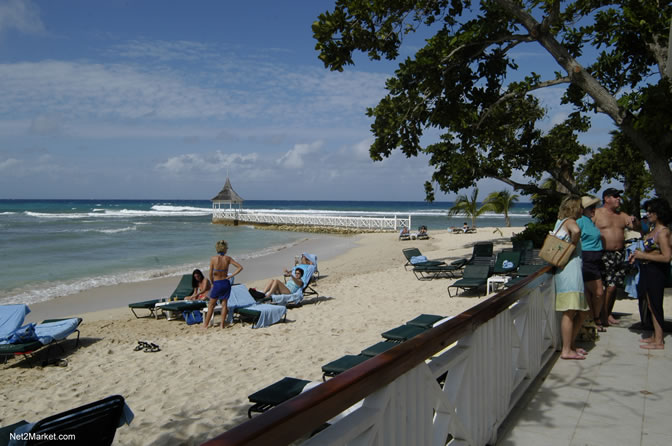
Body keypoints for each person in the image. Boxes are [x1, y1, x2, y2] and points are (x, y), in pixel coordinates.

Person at [629, 198, 671, 350]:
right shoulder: (652, 229)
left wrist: (644, 256)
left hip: (656, 271)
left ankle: (659, 340)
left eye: (651, 211)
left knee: (656, 304)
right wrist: (637, 255)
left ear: (659, 213)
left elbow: (666, 257)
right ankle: (655, 335)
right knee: (651, 305)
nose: (648, 214)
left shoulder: (663, 232)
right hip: (647, 270)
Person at [554, 195, 590, 360]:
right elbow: (576, 231)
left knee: (580, 311)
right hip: (570, 272)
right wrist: (573, 246)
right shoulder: (569, 221)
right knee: (570, 312)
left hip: (568, 271)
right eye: (581, 207)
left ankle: (570, 345)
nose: (583, 210)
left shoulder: (560, 222)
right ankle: (567, 349)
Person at [594, 188, 635, 327]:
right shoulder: (597, 214)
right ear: (606, 198)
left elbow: (638, 228)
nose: (618, 199)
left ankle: (608, 313)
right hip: (605, 254)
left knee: (614, 287)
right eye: (615, 196)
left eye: (619, 196)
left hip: (620, 254)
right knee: (608, 287)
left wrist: (635, 221)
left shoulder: (622, 215)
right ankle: (602, 316)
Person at [577, 196, 606, 332]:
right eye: (590, 207)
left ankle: (591, 318)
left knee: (590, 292)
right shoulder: (581, 221)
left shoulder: (590, 221)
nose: (594, 210)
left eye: (594, 207)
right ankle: (594, 318)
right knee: (598, 292)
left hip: (596, 259)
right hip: (587, 259)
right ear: (583, 210)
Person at [203, 240, 243, 329]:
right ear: (224, 249)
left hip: (217, 283)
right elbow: (240, 267)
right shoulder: (228, 258)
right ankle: (222, 325)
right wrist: (231, 276)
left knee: (211, 305)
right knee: (224, 304)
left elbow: (210, 273)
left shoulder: (213, 258)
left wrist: (212, 282)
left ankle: (205, 325)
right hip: (225, 282)